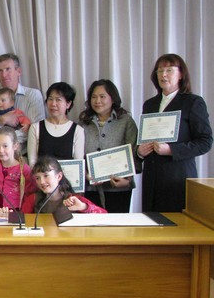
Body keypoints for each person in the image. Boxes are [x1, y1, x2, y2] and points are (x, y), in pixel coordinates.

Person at [138, 53, 212, 212]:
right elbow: (145, 137)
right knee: (152, 226)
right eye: (159, 71)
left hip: (177, 177)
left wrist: (171, 149)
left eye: (169, 70)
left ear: (181, 74)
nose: (163, 75)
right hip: (151, 178)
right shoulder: (149, 104)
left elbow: (205, 142)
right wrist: (140, 151)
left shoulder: (193, 102)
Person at [78, 79, 141, 213]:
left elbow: (134, 151)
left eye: (102, 96)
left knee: (117, 230)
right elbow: (76, 154)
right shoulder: (83, 122)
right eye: (93, 97)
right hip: (91, 188)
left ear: (113, 99)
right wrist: (86, 175)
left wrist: (127, 179)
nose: (97, 101)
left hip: (119, 187)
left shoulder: (126, 121)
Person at [0, 53, 46, 154]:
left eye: (8, 69)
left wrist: (1, 139)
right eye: (0, 71)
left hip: (21, 157)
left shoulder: (33, 95)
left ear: (18, 71)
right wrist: (0, 120)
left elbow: (35, 132)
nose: (4, 75)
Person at [21, 155, 107, 214]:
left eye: (46, 176)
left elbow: (104, 214)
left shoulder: (73, 199)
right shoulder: (32, 199)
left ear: (59, 176)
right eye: (37, 178)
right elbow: (21, 221)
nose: (42, 182)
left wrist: (83, 207)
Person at [27, 82, 84, 167]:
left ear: (68, 104)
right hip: (41, 178)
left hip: (68, 179)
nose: (53, 104)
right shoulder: (35, 128)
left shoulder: (78, 130)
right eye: (50, 99)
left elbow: (78, 164)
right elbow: (32, 162)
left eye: (58, 100)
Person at [0, 126, 36, 212]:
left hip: (15, 212)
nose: (1, 150)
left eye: (5, 146)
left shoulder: (24, 170)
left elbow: (30, 194)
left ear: (15, 146)